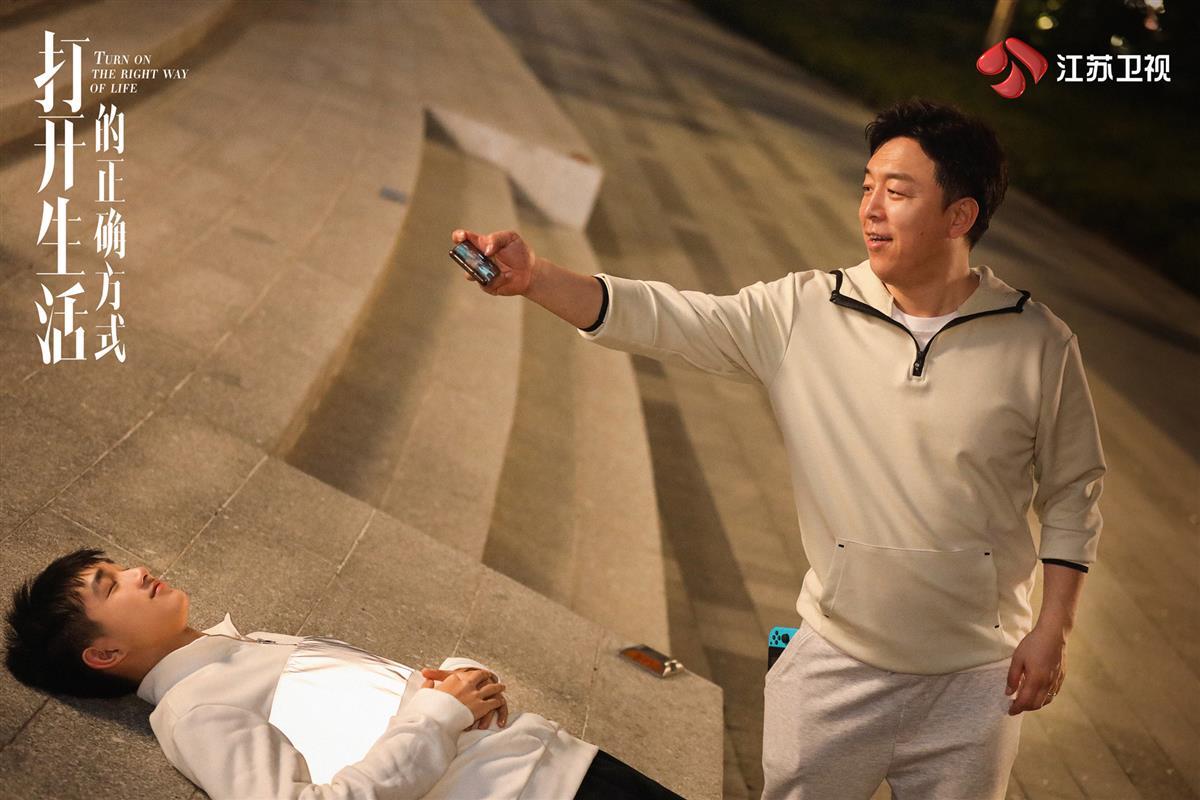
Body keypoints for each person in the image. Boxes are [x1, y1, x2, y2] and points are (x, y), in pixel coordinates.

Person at [450, 98, 1106, 799]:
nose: (871, 209)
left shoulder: (1038, 342)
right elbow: (669, 317)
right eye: (867, 186)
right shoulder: (805, 310)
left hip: (974, 683)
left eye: (898, 191)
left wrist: (1054, 629)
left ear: (959, 216)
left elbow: (1074, 490)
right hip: (835, 664)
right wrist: (538, 278)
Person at [3, 548, 683, 800]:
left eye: (118, 566)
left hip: (560, 761)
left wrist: (452, 682)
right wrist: (441, 712)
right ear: (103, 654)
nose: (137, 572)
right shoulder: (195, 711)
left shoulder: (237, 648)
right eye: (110, 584)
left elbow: (380, 707)